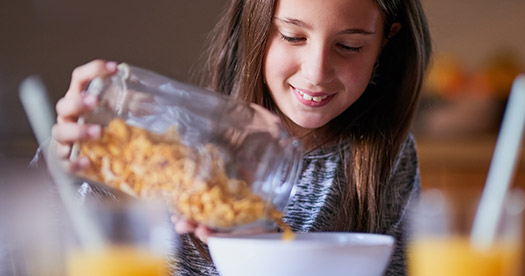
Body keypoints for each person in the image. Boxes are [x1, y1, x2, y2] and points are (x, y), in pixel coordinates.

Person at [51, 0, 431, 274]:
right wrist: (58, 162)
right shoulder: (159, 148)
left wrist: (252, 243)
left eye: (349, 46)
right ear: (257, 24)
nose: (316, 72)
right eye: (292, 36)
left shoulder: (386, 161)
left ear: (385, 43)